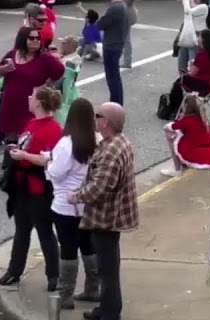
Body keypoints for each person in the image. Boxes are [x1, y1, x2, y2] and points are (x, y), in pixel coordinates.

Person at [69, 102, 138, 320]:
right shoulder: (119, 142)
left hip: (106, 217)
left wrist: (76, 196)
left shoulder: (111, 151)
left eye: (97, 115)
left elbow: (100, 188)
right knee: (108, 266)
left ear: (105, 122)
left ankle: (110, 313)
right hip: (113, 214)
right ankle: (106, 307)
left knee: (107, 269)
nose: (94, 119)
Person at [2, 86, 64, 288]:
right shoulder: (31, 123)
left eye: (32, 95)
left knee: (44, 231)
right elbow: (26, 145)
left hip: (39, 189)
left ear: (38, 102)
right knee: (21, 230)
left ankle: (53, 275)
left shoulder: (54, 129)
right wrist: (16, 150)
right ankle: (14, 270)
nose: (29, 97)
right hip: (22, 187)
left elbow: (51, 160)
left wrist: (24, 156)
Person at [46, 98, 99, 308]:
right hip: (87, 202)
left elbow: (55, 173)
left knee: (67, 248)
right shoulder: (98, 139)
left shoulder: (67, 144)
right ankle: (93, 288)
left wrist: (48, 164)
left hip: (65, 204)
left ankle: (65, 294)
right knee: (88, 245)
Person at [0, 26, 66, 141]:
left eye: (38, 38)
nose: (36, 41)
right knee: (10, 139)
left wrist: (47, 85)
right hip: (10, 105)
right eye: (32, 38)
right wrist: (4, 69)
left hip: (29, 106)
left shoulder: (44, 58)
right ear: (23, 39)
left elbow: (60, 71)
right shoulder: (13, 54)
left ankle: (23, 158)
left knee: (26, 138)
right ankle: (10, 158)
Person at [162, 94, 210, 178]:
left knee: (171, 134)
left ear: (186, 107)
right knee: (184, 134)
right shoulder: (205, 120)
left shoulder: (187, 120)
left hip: (194, 154)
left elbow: (169, 127)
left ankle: (177, 168)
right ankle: (183, 165)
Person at [161, 29, 210, 119]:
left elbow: (192, 73)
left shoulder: (202, 55)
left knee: (178, 83)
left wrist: (190, 67)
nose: (197, 39)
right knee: (180, 80)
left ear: (204, 40)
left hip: (201, 85)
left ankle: (175, 109)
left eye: (199, 37)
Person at [94, 0, 129, 105]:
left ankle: (115, 102)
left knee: (112, 77)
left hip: (111, 45)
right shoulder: (122, 5)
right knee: (114, 76)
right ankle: (117, 101)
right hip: (117, 43)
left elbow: (101, 24)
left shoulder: (115, 8)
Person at [167, 0, 209, 75]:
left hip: (197, 37)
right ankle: (183, 83)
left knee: (193, 64)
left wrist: (185, 1)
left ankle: (193, 84)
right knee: (181, 63)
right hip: (186, 34)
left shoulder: (204, 7)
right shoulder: (189, 1)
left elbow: (188, 11)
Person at [55, 37, 82, 125]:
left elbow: (67, 80)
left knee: (62, 113)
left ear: (71, 47)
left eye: (64, 44)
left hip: (66, 91)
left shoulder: (72, 60)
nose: (61, 46)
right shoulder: (68, 57)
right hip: (67, 89)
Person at [119, 0, 142, 69]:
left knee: (125, 39)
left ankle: (127, 61)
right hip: (132, 11)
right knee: (125, 37)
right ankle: (126, 60)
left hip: (125, 13)